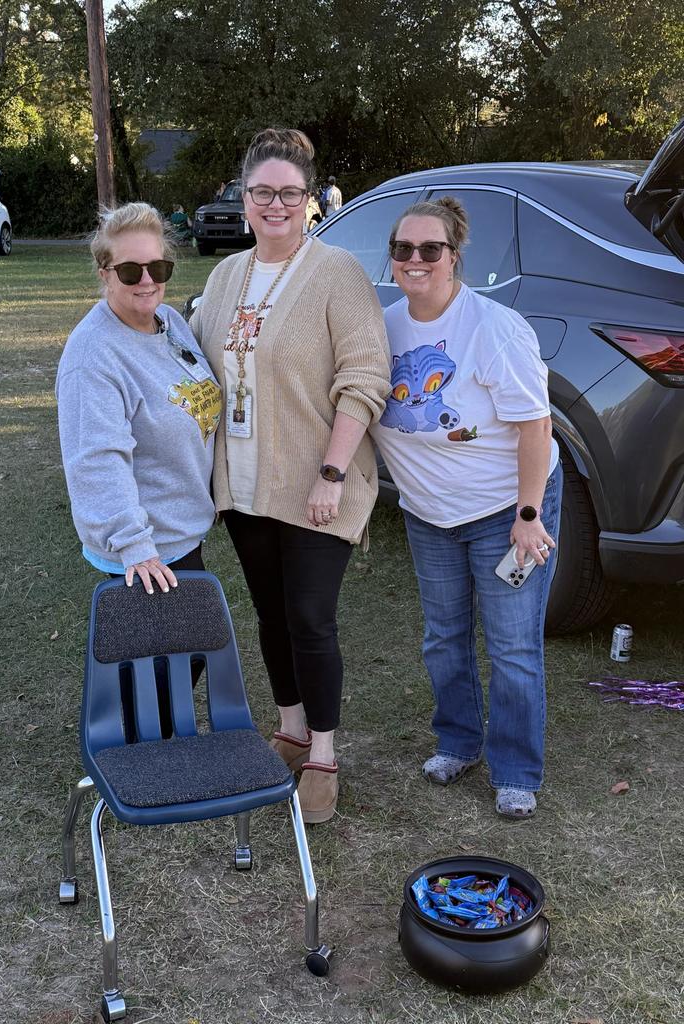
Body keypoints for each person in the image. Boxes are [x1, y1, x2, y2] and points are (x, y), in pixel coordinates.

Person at [190, 128, 391, 823]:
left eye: (289, 192)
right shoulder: (224, 277)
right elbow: (196, 368)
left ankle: (326, 756)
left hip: (316, 481)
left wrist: (332, 472)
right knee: (271, 614)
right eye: (261, 192)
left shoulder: (336, 272)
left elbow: (365, 379)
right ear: (242, 198)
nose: (275, 204)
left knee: (310, 616)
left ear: (311, 200)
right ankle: (292, 727)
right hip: (244, 482)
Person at [370, 198, 562, 819]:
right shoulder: (385, 327)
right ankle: (459, 742)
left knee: (511, 646)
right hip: (429, 514)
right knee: (443, 638)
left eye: (431, 249)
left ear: (455, 258)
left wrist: (528, 518)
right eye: (404, 250)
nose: (416, 260)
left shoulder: (493, 329)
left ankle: (514, 770)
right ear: (392, 259)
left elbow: (537, 428)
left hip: (508, 507)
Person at [56, 202, 221, 595]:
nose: (147, 280)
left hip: (182, 535)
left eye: (158, 268)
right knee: (179, 658)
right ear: (105, 274)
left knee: (193, 654)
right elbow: (97, 460)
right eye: (131, 271)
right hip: (149, 557)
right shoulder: (93, 356)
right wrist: (136, 548)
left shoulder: (171, 322)